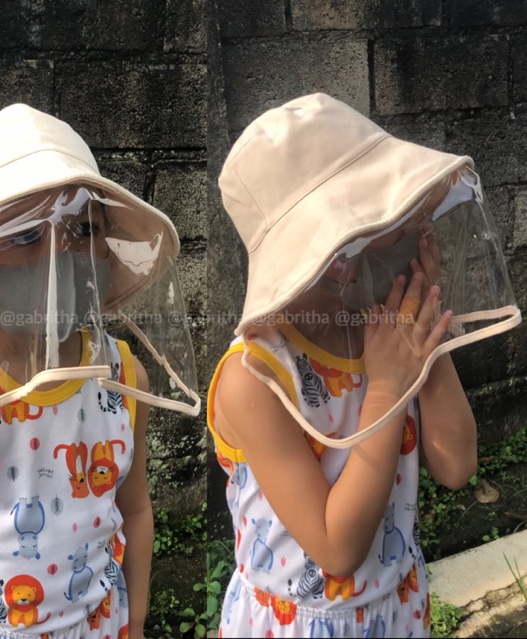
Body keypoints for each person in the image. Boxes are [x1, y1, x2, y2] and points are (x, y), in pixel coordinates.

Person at [208, 93, 521, 637]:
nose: (420, 236)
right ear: (337, 252)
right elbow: (337, 547)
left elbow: (456, 466)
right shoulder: (254, 378)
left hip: (398, 609)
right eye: (397, 225)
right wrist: (386, 389)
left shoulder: (380, 329)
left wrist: (423, 332)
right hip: (299, 623)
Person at [0, 104, 199, 639]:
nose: (63, 253)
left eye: (84, 228)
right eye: (26, 235)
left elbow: (135, 509)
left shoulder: (122, 378)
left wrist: (136, 620)